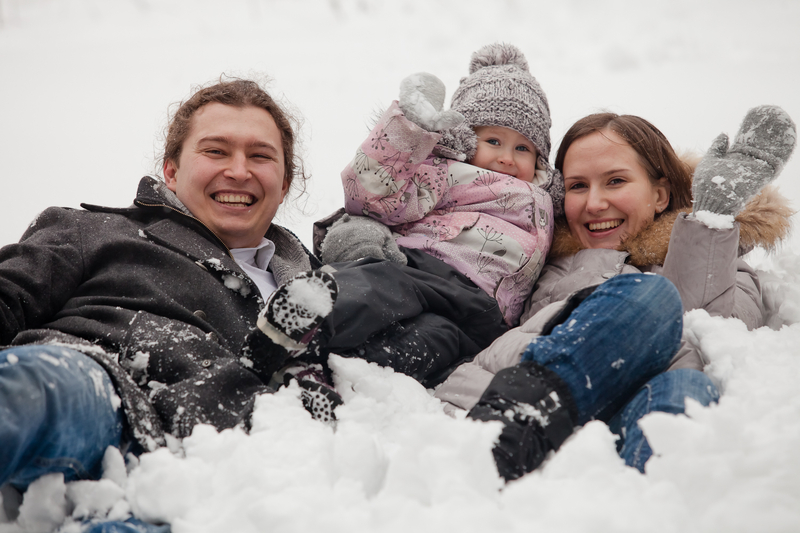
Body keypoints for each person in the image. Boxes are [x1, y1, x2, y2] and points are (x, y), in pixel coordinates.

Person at [0, 78, 333, 531]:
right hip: (92, 387)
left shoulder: (316, 296)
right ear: (171, 172)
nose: (239, 171)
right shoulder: (95, 231)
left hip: (188, 482)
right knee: (29, 391)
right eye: (216, 151)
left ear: (284, 182)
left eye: (260, 156)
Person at [434, 105, 796, 480]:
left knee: (688, 385)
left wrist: (709, 223)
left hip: (621, 423)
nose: (594, 204)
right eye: (577, 186)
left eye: (615, 181)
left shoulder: (722, 258)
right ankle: (513, 429)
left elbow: (713, 335)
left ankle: (648, 499)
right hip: (506, 399)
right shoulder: (532, 259)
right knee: (649, 298)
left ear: (660, 194)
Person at [297, 43, 559, 392]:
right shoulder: (443, 170)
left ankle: (344, 379)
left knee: (430, 344)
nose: (507, 158)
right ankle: (305, 318)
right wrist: (408, 134)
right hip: (423, 270)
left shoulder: (551, 199)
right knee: (374, 288)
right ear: (465, 138)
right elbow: (371, 196)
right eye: (494, 141)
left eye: (522, 148)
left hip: (480, 314)